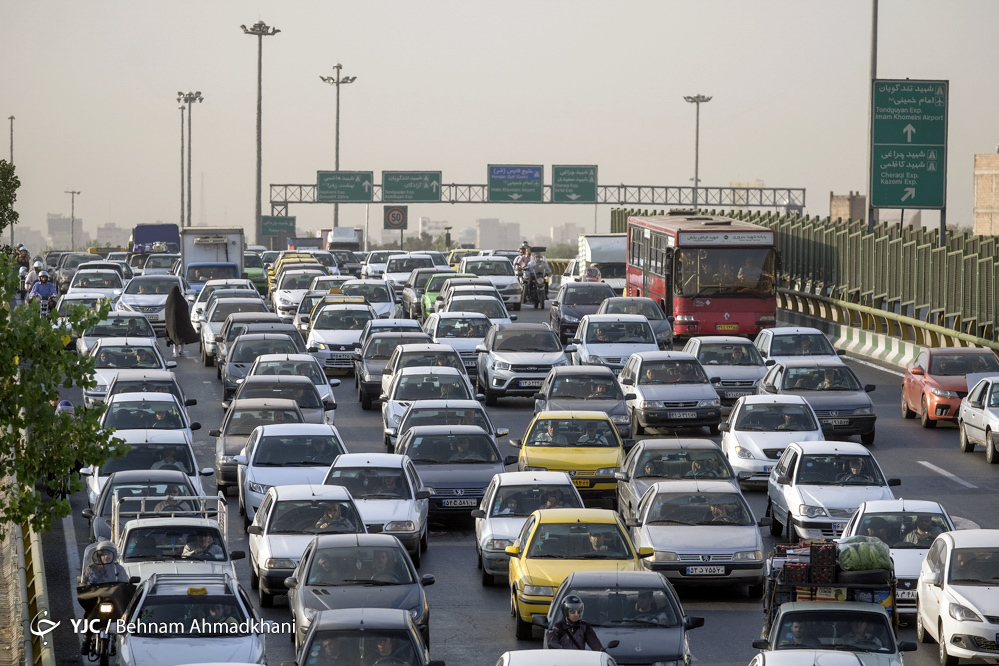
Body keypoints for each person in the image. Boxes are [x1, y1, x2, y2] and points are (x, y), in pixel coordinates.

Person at [164, 284, 199, 357]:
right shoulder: (181, 300)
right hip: (181, 324)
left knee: (174, 339)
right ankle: (181, 351)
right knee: (182, 338)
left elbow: (167, 311)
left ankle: (176, 352)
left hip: (172, 325)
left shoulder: (169, 300)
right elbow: (185, 309)